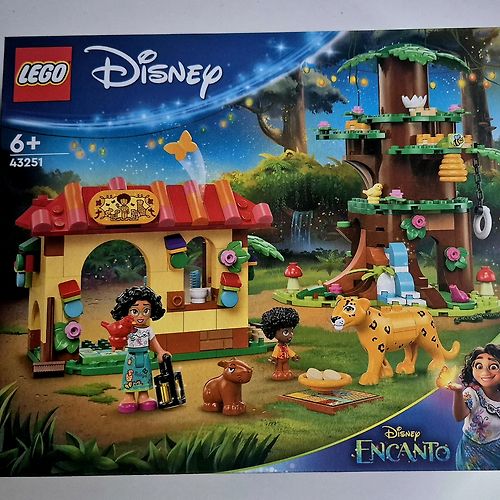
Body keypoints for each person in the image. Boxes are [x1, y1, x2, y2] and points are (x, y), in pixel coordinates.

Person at [109, 285, 170, 414]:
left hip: (144, 356)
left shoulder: (148, 330)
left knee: (144, 375)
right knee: (130, 376)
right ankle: (129, 396)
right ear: (126, 311)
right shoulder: (127, 329)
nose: (141, 316)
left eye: (146, 310)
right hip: (131, 357)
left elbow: (153, 342)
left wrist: (160, 352)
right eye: (135, 311)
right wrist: (116, 343)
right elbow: (119, 337)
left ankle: (144, 395)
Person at [445, 343, 500, 470]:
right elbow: (459, 416)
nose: (485, 372)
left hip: (496, 453)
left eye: (493, 367)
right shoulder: (472, 393)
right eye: (479, 366)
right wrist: (458, 393)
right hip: (471, 453)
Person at [261, 307, 300, 380]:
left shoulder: (286, 346)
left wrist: (294, 356)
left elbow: (289, 351)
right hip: (279, 360)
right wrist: (273, 358)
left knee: (286, 366)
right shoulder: (278, 347)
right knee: (279, 367)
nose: (290, 336)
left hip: (286, 359)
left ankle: (286, 372)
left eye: (291, 332)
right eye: (286, 332)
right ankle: (278, 372)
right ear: (273, 332)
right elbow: (275, 353)